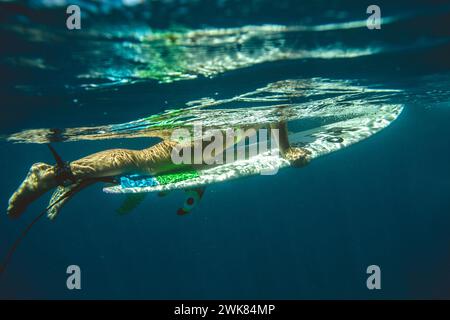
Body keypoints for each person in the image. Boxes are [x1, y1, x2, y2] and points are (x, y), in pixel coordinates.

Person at [6, 122, 310, 218]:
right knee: (136, 160)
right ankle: (48, 175)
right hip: (168, 151)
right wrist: (286, 151)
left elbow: (274, 119)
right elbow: (275, 118)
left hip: (189, 155)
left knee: (143, 164)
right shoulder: (265, 102)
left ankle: (71, 179)